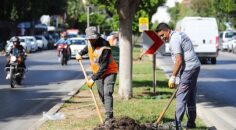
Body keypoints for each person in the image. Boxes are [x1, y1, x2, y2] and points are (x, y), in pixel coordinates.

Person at [155, 23, 201, 129]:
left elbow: (179, 60)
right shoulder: (179, 34)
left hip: (189, 68)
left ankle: (177, 124)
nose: (162, 38)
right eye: (160, 37)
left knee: (181, 96)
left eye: (162, 35)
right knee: (190, 96)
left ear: (167, 30)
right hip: (194, 67)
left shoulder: (174, 39)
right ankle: (191, 123)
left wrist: (173, 77)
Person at [76, 27, 118, 123]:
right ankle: (108, 112)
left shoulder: (105, 46)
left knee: (108, 92)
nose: (91, 40)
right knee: (102, 95)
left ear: (97, 37)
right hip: (97, 73)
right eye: (89, 39)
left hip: (109, 71)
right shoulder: (90, 43)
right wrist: (80, 53)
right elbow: (88, 48)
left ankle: (109, 118)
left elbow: (104, 66)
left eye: (93, 38)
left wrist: (93, 79)